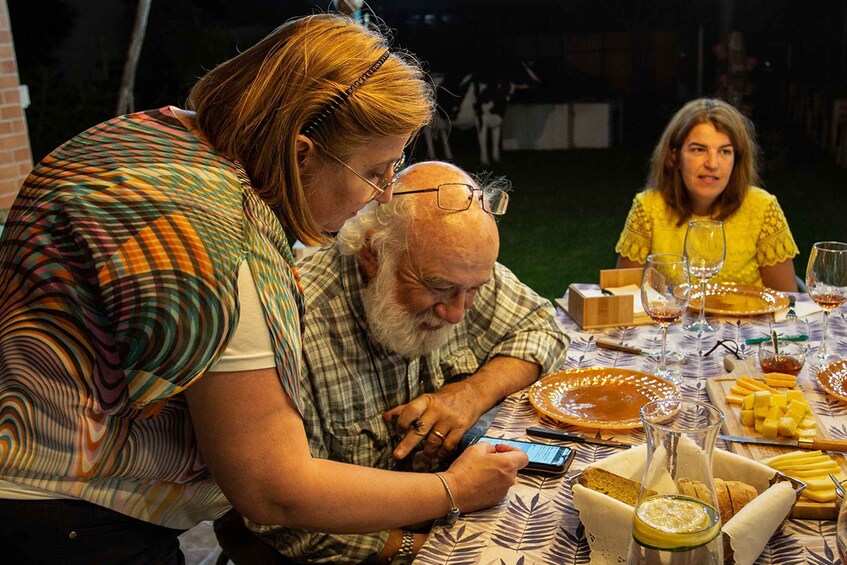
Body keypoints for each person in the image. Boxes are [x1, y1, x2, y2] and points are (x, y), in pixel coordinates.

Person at [0, 14, 528, 564]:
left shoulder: (153, 137)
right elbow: (273, 486)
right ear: (301, 153)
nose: (382, 194)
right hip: (74, 525)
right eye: (376, 170)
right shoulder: (222, 235)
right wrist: (456, 491)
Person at [239, 161, 569, 563]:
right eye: (438, 288)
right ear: (373, 254)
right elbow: (284, 520)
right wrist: (436, 547)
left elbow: (543, 328)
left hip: (446, 510)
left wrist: (469, 395)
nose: (457, 313)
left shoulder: (455, 267)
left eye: (474, 290)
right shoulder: (294, 325)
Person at [615, 97, 799, 292]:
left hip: (749, 322)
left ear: (736, 160)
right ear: (674, 157)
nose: (712, 164)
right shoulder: (648, 207)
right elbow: (622, 296)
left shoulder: (763, 208)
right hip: (673, 321)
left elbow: (787, 302)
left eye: (724, 152)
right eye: (699, 150)